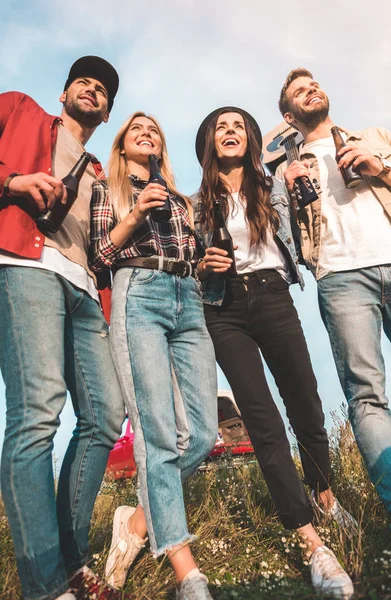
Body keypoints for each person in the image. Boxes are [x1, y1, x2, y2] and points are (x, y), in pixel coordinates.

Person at [193, 106, 355, 599]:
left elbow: (304, 209)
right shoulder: (193, 202)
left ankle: (325, 497)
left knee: (305, 401)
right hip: (223, 308)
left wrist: (290, 164)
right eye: (221, 127)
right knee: (263, 419)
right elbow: (188, 264)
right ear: (208, 142)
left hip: (273, 294)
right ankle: (310, 542)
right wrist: (203, 263)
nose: (230, 132)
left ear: (250, 137)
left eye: (238, 125)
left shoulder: (273, 186)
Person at [0, 57, 125, 600]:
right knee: (38, 411)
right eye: (84, 82)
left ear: (107, 109)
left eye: (102, 89)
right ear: (64, 93)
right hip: (26, 270)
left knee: (105, 417)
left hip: (84, 292)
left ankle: (70, 559)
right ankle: (47, 587)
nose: (93, 90)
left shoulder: (99, 170)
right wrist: (12, 181)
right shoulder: (18, 110)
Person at [89, 111, 218, 599]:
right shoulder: (109, 191)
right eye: (136, 131)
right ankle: (187, 572)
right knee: (156, 433)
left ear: (162, 146)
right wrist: (137, 212)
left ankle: (138, 521)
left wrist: (207, 263)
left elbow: (196, 256)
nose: (147, 134)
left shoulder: (183, 202)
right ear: (123, 148)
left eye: (154, 130)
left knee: (203, 434)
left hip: (187, 294)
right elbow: (99, 256)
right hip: (137, 292)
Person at [276, 68, 391, 539]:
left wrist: (381, 167)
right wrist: (285, 191)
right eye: (298, 92)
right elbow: (279, 240)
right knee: (367, 397)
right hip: (340, 277)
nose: (312, 90)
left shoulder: (374, 137)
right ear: (290, 114)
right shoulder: (288, 166)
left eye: (314, 84)